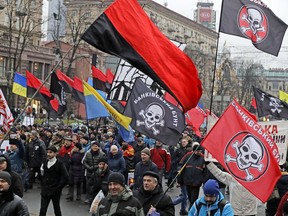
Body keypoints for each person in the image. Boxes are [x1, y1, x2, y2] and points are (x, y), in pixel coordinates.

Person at [39, 146, 69, 216]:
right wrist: (42, 183)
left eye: (50, 152)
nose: (48, 154)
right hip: (45, 190)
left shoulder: (60, 164)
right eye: (48, 152)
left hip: (55, 191)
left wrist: (59, 187)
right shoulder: (45, 162)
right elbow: (41, 174)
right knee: (43, 209)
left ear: (55, 154)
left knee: (56, 209)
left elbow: (66, 177)